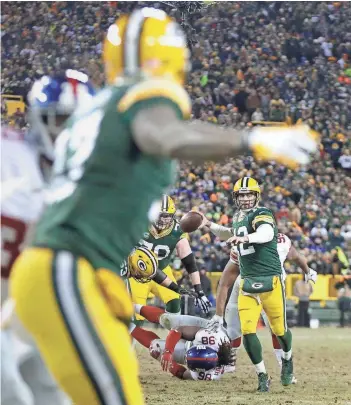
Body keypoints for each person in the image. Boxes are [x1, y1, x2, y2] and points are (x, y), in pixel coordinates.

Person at [10, 8, 319, 405]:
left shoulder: (98, 109)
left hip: (59, 267)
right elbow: (163, 135)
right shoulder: (145, 95)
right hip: (70, 268)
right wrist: (251, 141)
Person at [1, 70, 95, 405]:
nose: (69, 132)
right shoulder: (8, 156)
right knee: (8, 388)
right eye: (60, 120)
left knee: (54, 390)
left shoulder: (95, 183)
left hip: (31, 303)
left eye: (79, 122)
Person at [199, 177, 297, 392]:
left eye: (248, 194)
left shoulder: (263, 214)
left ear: (256, 195)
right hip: (248, 281)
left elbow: (266, 233)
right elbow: (231, 234)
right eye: (241, 195)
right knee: (248, 331)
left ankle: (287, 359)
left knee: (280, 330)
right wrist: (210, 225)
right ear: (236, 197)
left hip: (270, 279)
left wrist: (246, 239)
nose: (245, 198)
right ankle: (262, 375)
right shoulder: (239, 217)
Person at [209, 232, 317, 372]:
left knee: (277, 329)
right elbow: (224, 283)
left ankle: (283, 363)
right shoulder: (241, 244)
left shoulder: (281, 241)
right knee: (235, 325)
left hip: (273, 287)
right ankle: (231, 360)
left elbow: (295, 256)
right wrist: (218, 314)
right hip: (247, 286)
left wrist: (308, 270)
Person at [130, 195, 211, 326]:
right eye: (160, 215)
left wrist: (199, 290)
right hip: (137, 274)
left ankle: (171, 343)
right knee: (136, 318)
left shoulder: (177, 230)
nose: (163, 219)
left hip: (163, 270)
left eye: (167, 216)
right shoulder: (140, 223)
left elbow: (189, 262)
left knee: (174, 303)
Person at [132, 305, 234, 381]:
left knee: (155, 349)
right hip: (206, 327)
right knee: (168, 320)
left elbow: (183, 374)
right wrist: (168, 351)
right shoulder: (209, 337)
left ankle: (127, 326)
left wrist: (171, 365)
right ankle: (131, 306)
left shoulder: (209, 375)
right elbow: (178, 330)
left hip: (190, 349)